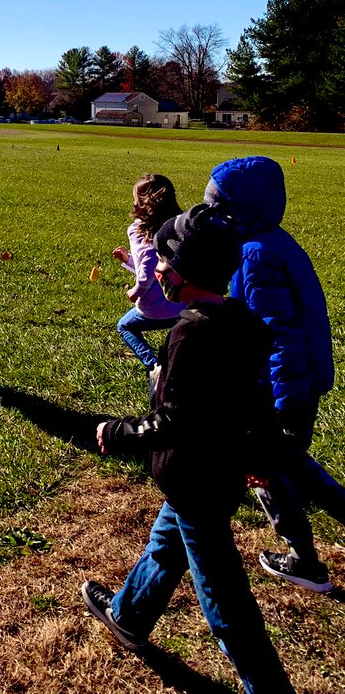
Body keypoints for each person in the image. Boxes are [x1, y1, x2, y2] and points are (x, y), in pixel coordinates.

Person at [82, 206, 295, 694]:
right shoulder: (241, 322)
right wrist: (263, 456)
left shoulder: (190, 333)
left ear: (186, 272)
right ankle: (128, 616)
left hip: (198, 478)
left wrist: (116, 433)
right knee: (164, 545)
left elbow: (174, 420)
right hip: (206, 477)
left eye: (164, 261)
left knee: (224, 598)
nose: (155, 268)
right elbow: (258, 402)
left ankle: (267, 685)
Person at [205, 155, 344, 592]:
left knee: (266, 473)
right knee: (295, 467)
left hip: (281, 391)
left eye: (217, 207)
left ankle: (305, 561)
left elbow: (279, 334)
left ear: (240, 209)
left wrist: (283, 407)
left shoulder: (255, 255)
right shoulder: (273, 241)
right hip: (297, 384)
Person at [111, 174, 182, 374]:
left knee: (125, 326)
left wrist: (137, 289)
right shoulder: (178, 227)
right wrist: (128, 260)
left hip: (155, 309)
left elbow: (150, 261)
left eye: (135, 201)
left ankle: (154, 365)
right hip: (181, 305)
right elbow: (152, 266)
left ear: (142, 205)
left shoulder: (139, 231)